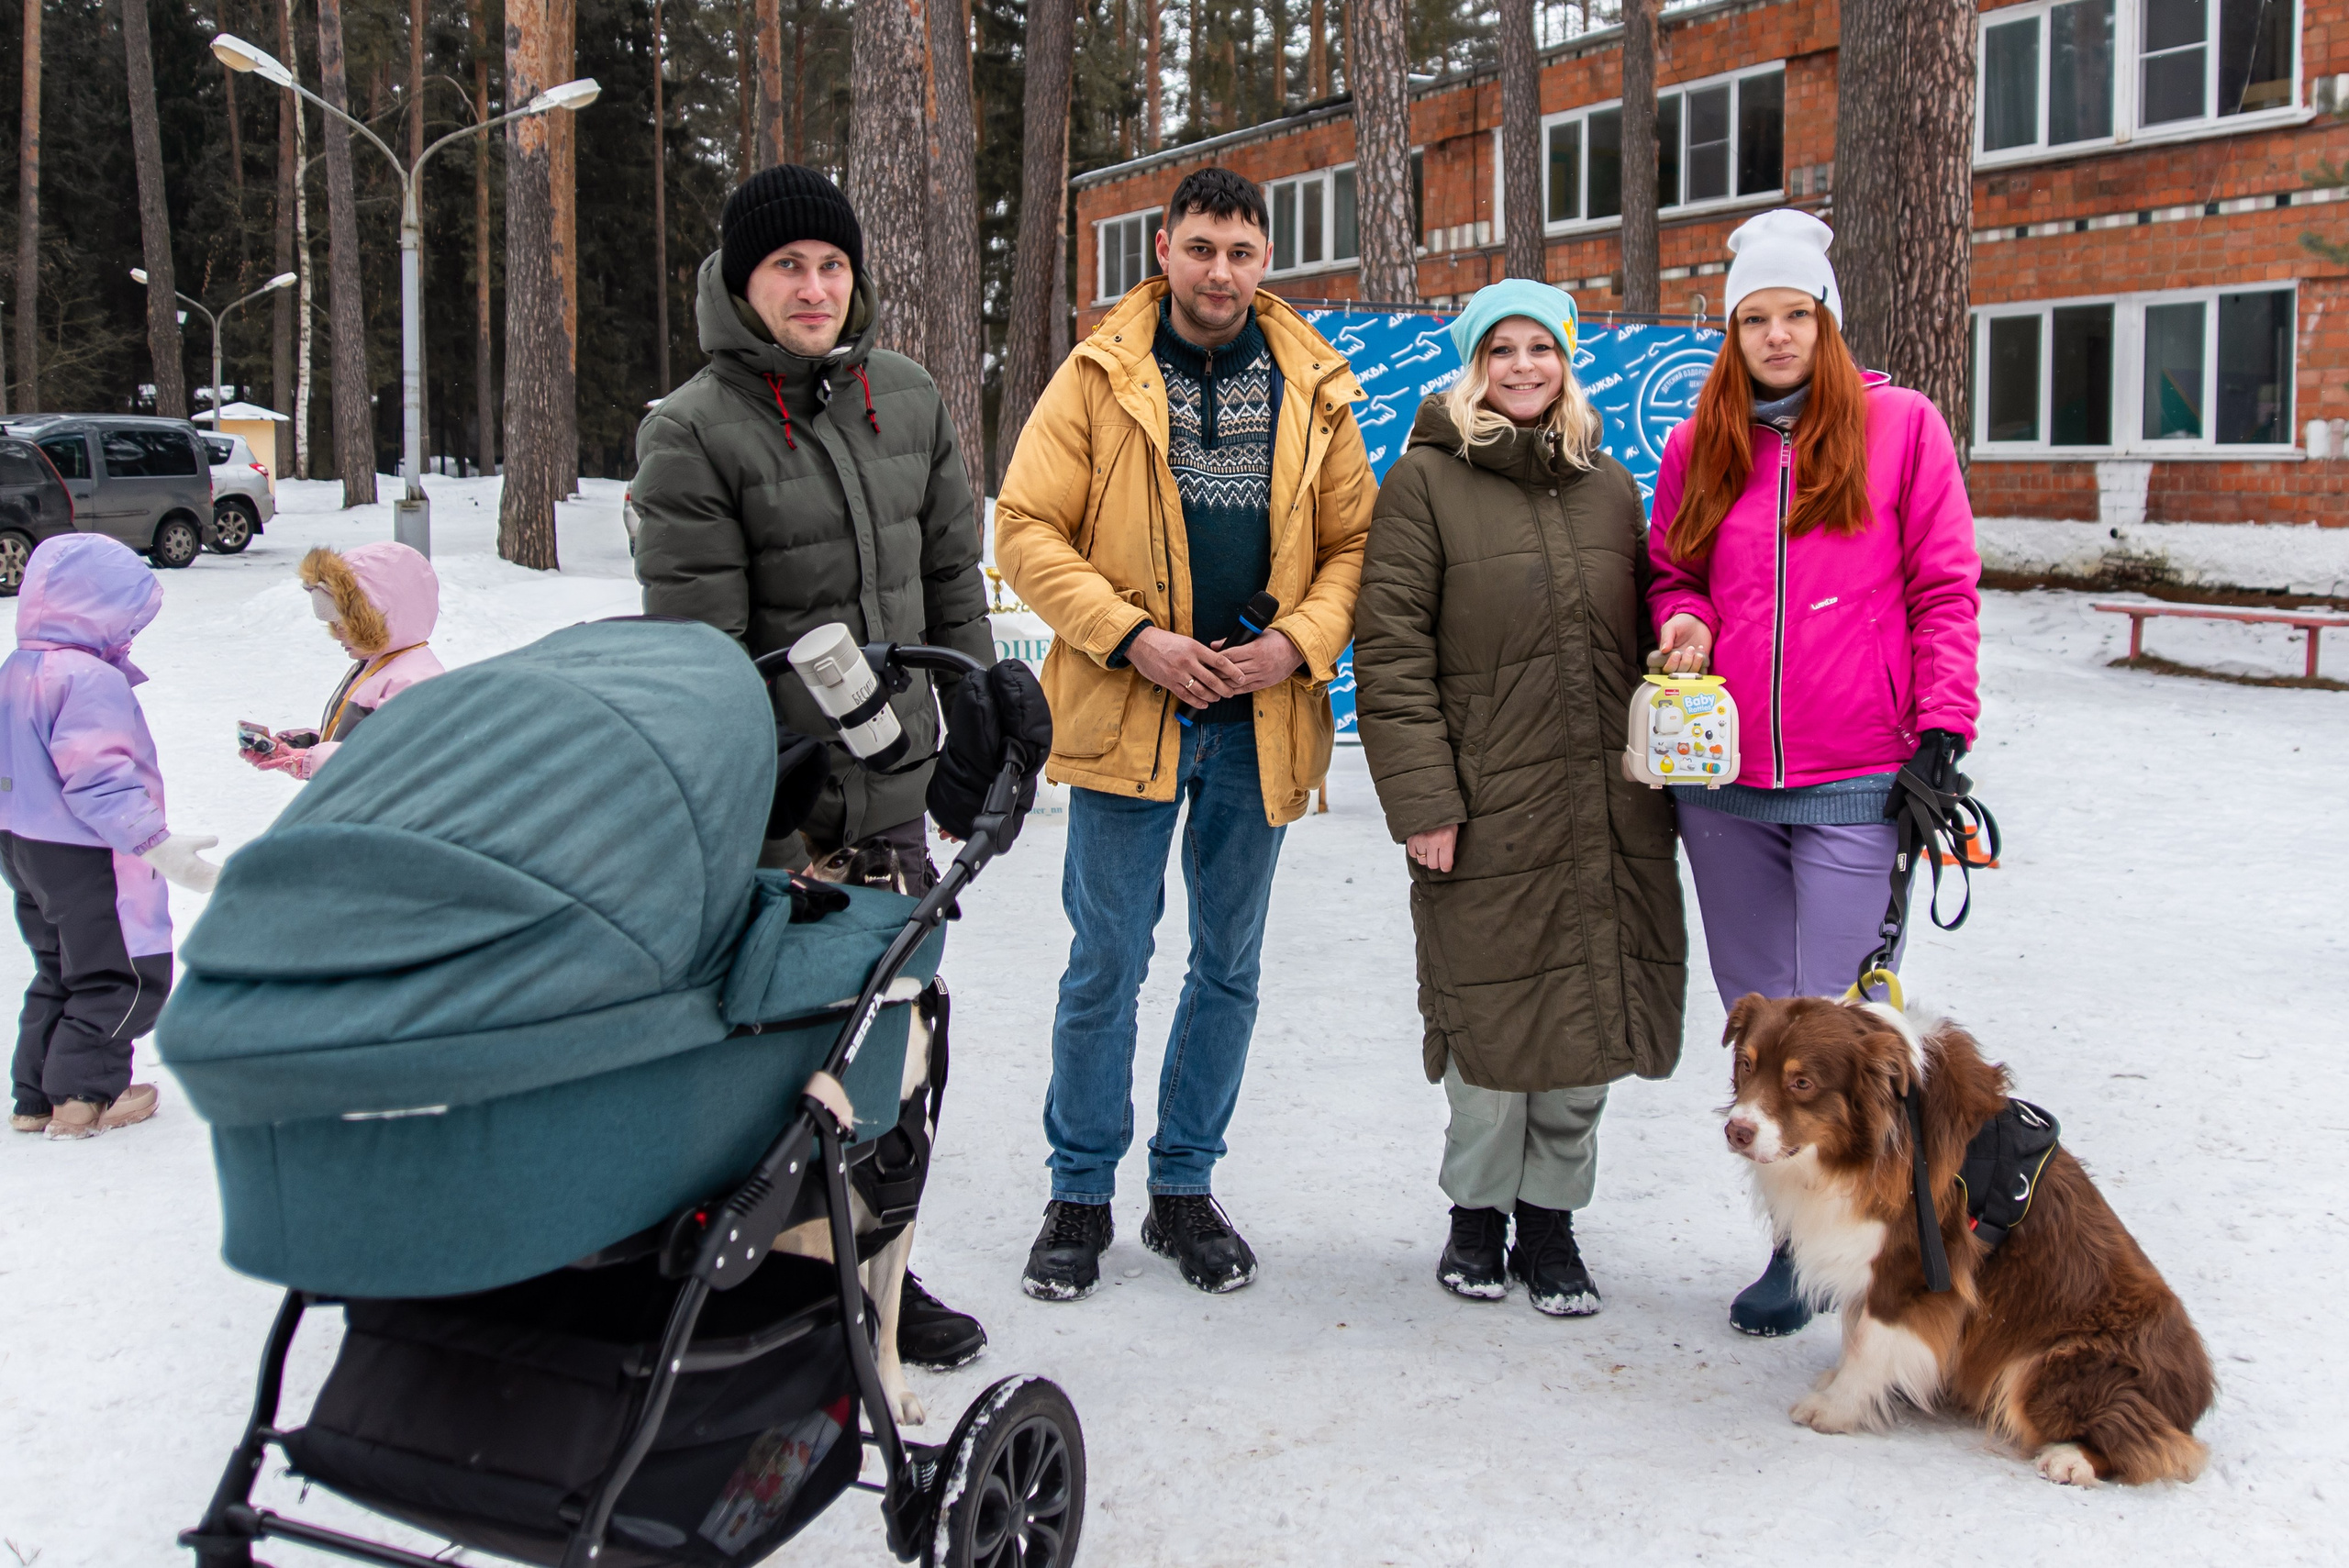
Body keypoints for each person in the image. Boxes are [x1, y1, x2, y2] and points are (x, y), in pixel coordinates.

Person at [631, 162, 994, 1372]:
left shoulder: (910, 396)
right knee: (781, 1073)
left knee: (892, 1055)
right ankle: (769, 1298)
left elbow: (953, 578)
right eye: (789, 265)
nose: (814, 286)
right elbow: (707, 658)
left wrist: (980, 711)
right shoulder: (692, 431)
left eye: (832, 264)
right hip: (779, 821)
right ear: (743, 280)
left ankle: (880, 1269)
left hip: (899, 801)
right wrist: (781, 800)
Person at [996, 166, 1376, 1302]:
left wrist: (1295, 645)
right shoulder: (1097, 375)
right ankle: (1077, 1193)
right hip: (1131, 709)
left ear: (1266, 262)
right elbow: (1024, 527)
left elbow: (1357, 543)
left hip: (1257, 721)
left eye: (1241, 252)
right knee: (1105, 960)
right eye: (1201, 247)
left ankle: (1182, 1186)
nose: (1221, 271)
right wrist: (1132, 638)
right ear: (1162, 251)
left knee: (1229, 965)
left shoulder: (1314, 382)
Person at [1646, 208, 1982, 1337]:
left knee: (1841, 1039)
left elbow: (1943, 587)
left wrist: (1941, 730)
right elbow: (1671, 571)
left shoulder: (1902, 426)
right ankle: (1793, 1249)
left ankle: (1874, 1245)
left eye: (1796, 316)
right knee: (1761, 1045)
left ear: (1827, 323)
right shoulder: (1703, 442)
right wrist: (1687, 621)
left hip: (1858, 776)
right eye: (1755, 319)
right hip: (1726, 787)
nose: (1777, 337)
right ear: (1731, 330)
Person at [1353, 281, 1688, 1316]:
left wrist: (1681, 649)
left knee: (1588, 1016)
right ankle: (1474, 1216)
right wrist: (1424, 803)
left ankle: (1551, 1223)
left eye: (1541, 347)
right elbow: (1392, 654)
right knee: (1491, 1027)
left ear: (1567, 360)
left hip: (1602, 803)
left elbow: (1647, 623)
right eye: (1501, 349)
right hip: (1484, 803)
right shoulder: (1421, 482)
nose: (1523, 365)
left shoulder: (1610, 487)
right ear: (1473, 365)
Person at [3, 534, 220, 1139]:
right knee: (120, 972)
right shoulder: (88, 678)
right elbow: (98, 777)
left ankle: (35, 1094)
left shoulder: (19, 666)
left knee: (58, 962)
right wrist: (154, 841)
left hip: (23, 842)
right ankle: (83, 1097)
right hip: (86, 848)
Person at [239, 542, 444, 779]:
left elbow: (390, 760)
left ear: (380, 616)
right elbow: (360, 739)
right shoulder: (380, 665)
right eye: (332, 624)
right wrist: (302, 746)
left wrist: (311, 761)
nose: (336, 634)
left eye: (343, 623)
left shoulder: (414, 680)